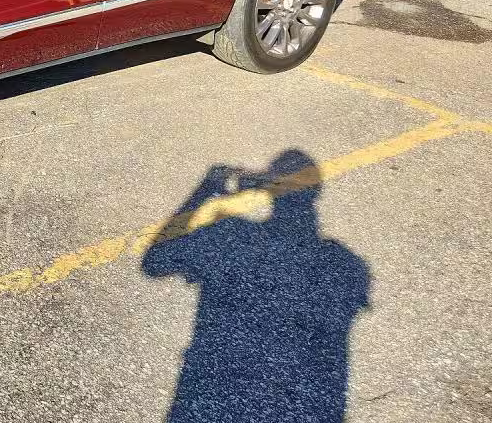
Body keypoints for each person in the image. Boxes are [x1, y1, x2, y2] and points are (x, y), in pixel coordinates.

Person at [142, 150, 371, 423]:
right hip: (301, 408)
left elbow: (155, 260)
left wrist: (206, 190)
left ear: (265, 188)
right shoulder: (345, 264)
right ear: (314, 193)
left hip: (212, 395)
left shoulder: (231, 235)